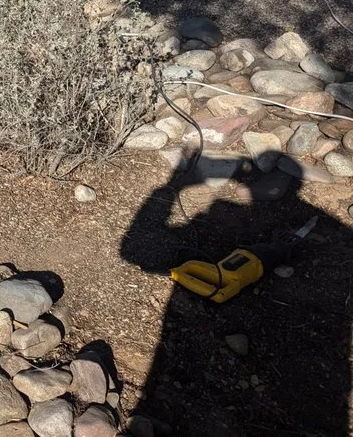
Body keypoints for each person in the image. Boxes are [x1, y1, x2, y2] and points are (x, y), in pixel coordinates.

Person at [120, 152, 353, 437]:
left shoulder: (236, 267)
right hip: (249, 264)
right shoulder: (234, 276)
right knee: (233, 268)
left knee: (228, 268)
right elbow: (220, 293)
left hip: (249, 262)